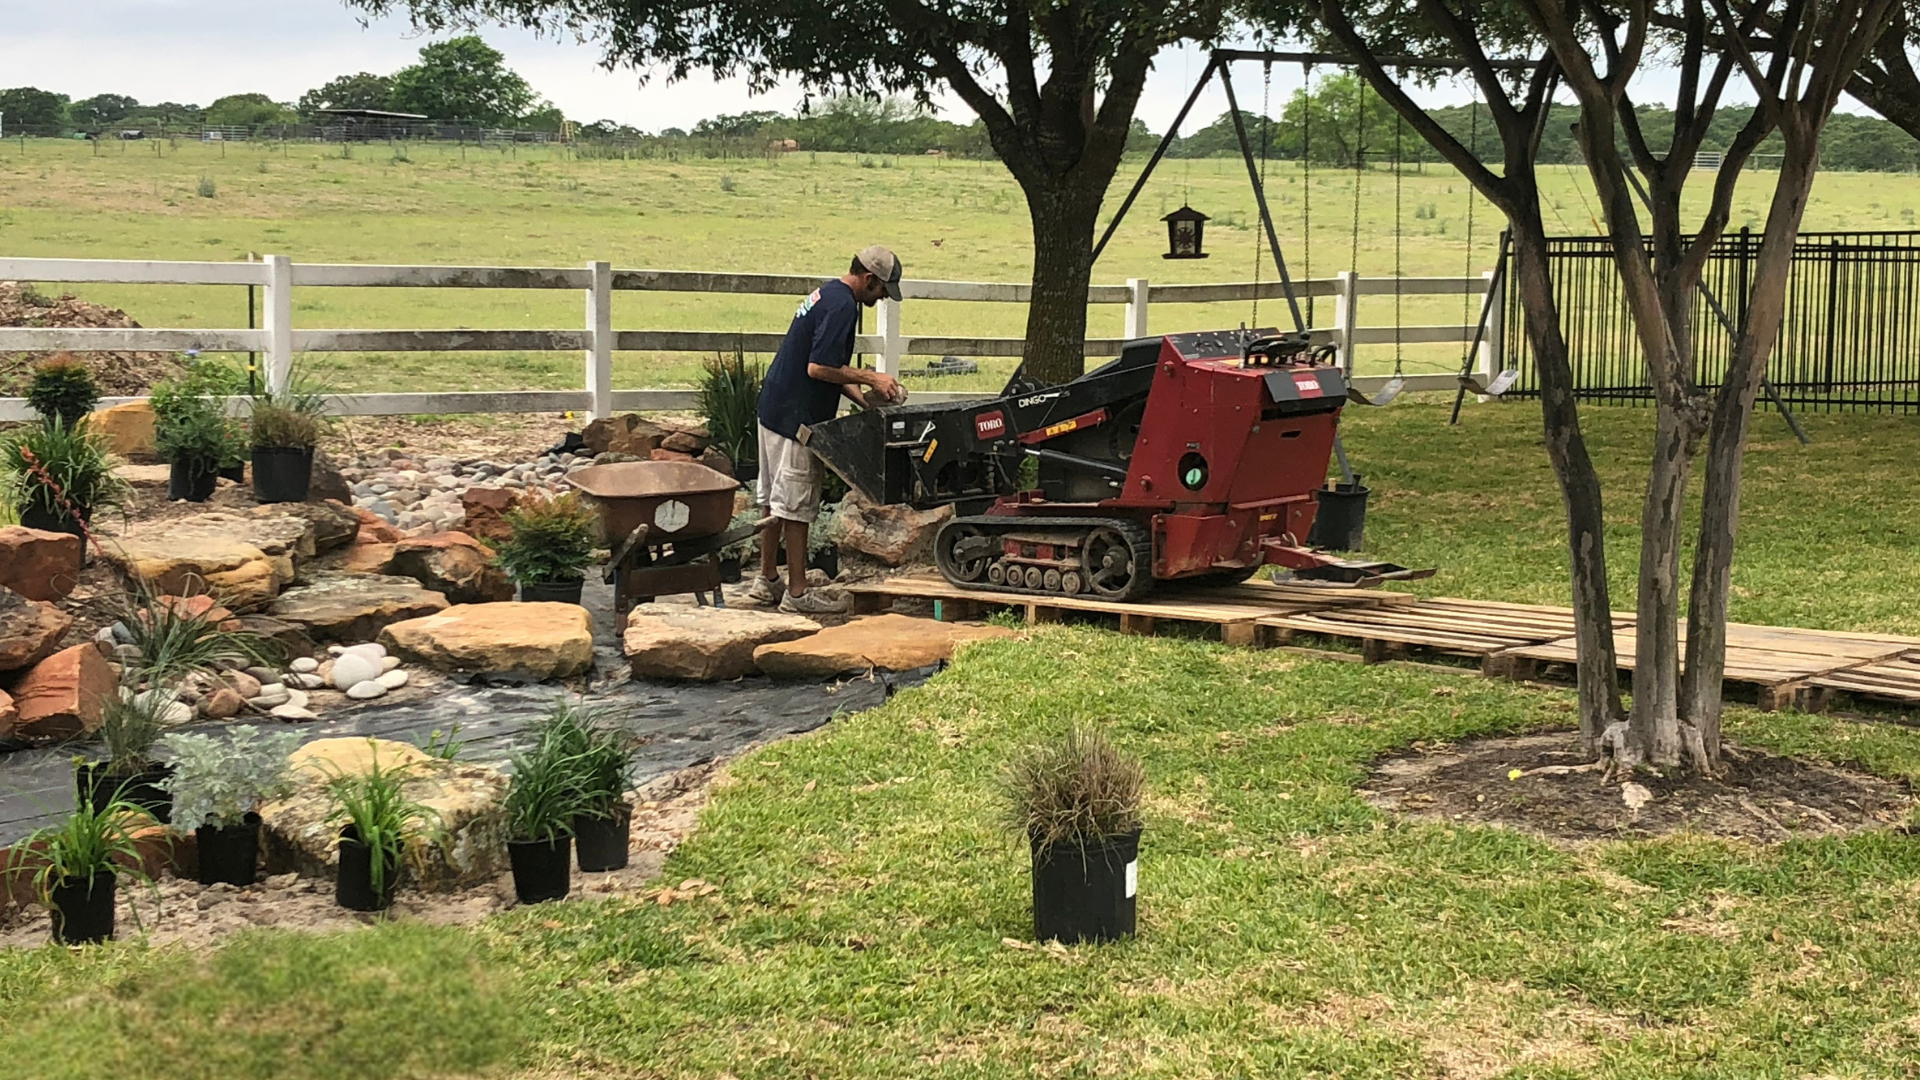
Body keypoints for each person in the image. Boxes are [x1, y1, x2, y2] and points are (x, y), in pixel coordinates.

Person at [749, 245, 907, 614]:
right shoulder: (842, 308)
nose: (882, 297)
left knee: (772, 499)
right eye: (883, 289)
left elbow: (830, 366)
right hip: (797, 419)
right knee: (797, 505)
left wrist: (864, 400)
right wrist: (872, 376)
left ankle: (768, 579)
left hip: (774, 406)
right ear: (869, 279)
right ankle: (799, 595)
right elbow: (818, 368)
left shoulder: (827, 293)